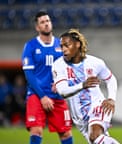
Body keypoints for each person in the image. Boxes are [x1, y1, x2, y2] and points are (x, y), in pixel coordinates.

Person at [52, 28, 120, 144]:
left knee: (94, 136)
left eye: (67, 45)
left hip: (97, 105)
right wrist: (82, 85)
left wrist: (111, 99)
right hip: (79, 117)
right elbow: (63, 91)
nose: (63, 49)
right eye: (62, 46)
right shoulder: (58, 65)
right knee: (98, 140)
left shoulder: (95, 62)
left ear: (77, 44)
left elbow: (111, 79)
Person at [21, 11, 73, 144]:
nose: (46, 24)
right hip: (36, 95)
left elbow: (68, 69)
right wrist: (42, 96)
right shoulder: (30, 46)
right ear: (37, 27)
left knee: (66, 133)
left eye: (48, 21)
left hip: (57, 96)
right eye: (42, 22)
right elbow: (29, 74)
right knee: (36, 130)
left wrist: (62, 83)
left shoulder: (61, 45)